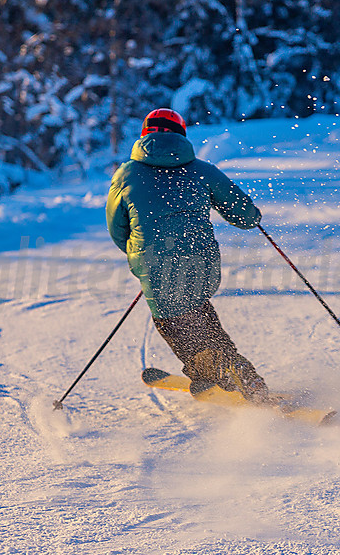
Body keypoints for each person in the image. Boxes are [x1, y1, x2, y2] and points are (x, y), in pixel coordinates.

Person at [106, 108, 269, 400]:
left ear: (145, 134)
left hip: (156, 264)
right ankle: (227, 375)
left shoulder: (126, 174)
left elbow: (118, 229)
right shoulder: (202, 170)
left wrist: (140, 260)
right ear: (181, 134)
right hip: (202, 264)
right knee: (198, 313)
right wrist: (253, 216)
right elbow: (244, 215)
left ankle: (227, 377)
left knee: (178, 325)